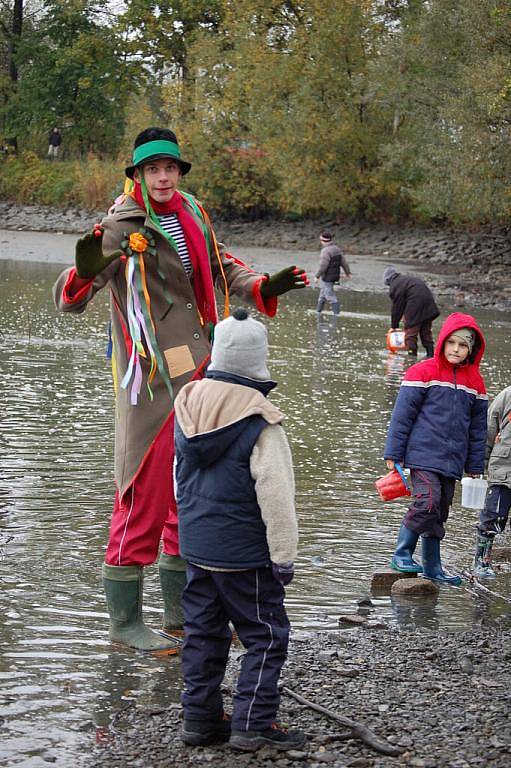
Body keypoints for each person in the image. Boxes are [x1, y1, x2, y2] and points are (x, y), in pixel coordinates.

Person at [53, 127, 309, 652]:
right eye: (153, 169)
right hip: (149, 381)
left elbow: (221, 266)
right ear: (137, 175)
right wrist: (82, 272)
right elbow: (73, 297)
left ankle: (179, 613)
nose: (164, 176)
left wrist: (264, 285)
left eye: (171, 168)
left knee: (186, 494)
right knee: (143, 490)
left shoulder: (191, 212)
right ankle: (124, 623)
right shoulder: (122, 222)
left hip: (201, 372)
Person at [174, 307, 305, 752]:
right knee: (266, 637)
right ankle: (252, 724)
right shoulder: (261, 422)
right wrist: (284, 555)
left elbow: (180, 479)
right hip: (244, 556)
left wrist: (188, 534)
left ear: (218, 354)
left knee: (203, 636)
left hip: (197, 547)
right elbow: (277, 496)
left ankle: (199, 720)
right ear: (258, 361)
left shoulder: (187, 406)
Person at [384, 313, 488, 585]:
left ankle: (432, 568)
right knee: (426, 503)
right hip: (422, 454)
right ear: (442, 342)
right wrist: (393, 453)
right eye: (451, 342)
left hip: (452, 460)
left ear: (472, 349)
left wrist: (475, 467)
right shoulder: (422, 371)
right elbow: (402, 415)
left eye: (462, 345)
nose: (456, 349)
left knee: (440, 511)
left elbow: (478, 431)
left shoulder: (476, 383)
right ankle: (401, 553)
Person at [473, 385, 511, 577]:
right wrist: (479, 465)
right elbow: (488, 429)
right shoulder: (507, 395)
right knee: (492, 517)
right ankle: (481, 561)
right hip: (503, 471)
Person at [383, 266, 440, 357]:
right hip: (429, 305)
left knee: (411, 334)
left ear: (388, 280)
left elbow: (397, 308)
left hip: (416, 305)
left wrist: (394, 326)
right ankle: (431, 356)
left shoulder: (395, 285)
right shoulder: (407, 279)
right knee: (426, 332)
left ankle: (411, 358)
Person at [314, 231, 351, 316]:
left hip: (328, 277)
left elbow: (323, 265)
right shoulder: (336, 249)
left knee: (329, 295)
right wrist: (347, 272)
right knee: (322, 294)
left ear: (322, 240)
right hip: (335, 275)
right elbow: (344, 262)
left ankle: (337, 314)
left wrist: (317, 276)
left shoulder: (325, 251)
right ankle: (318, 312)